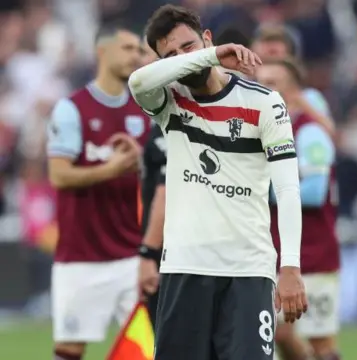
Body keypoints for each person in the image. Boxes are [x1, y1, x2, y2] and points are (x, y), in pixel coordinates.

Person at [127, 5, 307, 359]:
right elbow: (138, 81)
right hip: (185, 269)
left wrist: (290, 266)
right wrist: (208, 56)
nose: (183, 59)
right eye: (172, 56)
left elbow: (287, 189)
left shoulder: (265, 103)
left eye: (189, 47)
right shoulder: (170, 102)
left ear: (207, 37)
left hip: (249, 272)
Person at [47, 24, 150, 360]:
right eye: (127, 48)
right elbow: (59, 175)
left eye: (138, 50)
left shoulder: (144, 111)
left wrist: (140, 163)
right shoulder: (72, 109)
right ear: (102, 52)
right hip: (80, 256)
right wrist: (111, 168)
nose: (135, 56)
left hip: (133, 255)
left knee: (150, 347)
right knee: (69, 351)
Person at [256, 59, 341, 360]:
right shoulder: (260, 132)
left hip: (313, 255)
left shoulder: (309, 132)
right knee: (273, 337)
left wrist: (254, 191)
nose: (263, 89)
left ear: (292, 93)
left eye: (273, 83)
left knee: (320, 345)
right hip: (272, 256)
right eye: (260, 82)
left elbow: (316, 192)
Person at [251, 24, 335, 136]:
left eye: (276, 59)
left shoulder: (309, 98)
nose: (271, 67)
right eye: (265, 60)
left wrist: (298, 100)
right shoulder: (242, 94)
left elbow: (329, 132)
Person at [136, 37, 164, 330]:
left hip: (169, 252)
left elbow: (165, 192)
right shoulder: (156, 119)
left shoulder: (173, 119)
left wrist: (148, 253)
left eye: (145, 53)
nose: (140, 60)